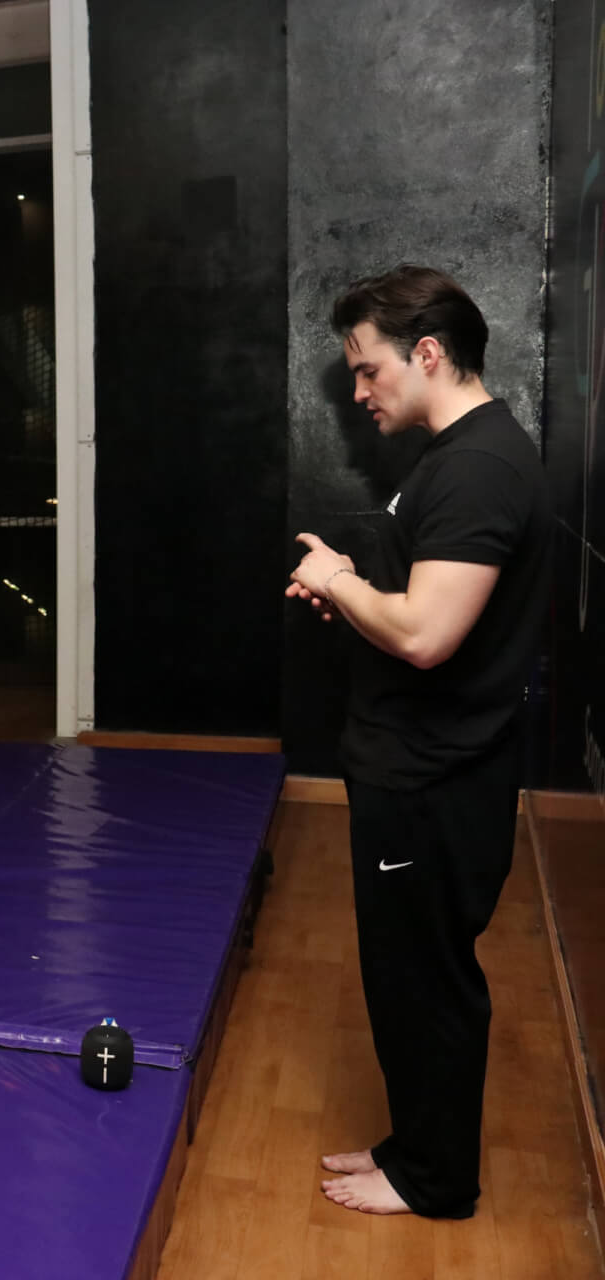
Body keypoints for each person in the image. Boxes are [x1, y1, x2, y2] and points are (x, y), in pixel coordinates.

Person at [287, 264, 551, 1218]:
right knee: (405, 977)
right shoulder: (458, 457)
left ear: (427, 353)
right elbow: (418, 603)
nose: (359, 391)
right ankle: (415, 1148)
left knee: (426, 983)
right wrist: (356, 588)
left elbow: (429, 635)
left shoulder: (479, 466)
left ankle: (436, 1181)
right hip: (416, 769)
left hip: (435, 779)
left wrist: (340, 581)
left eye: (368, 369)